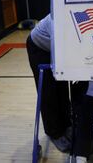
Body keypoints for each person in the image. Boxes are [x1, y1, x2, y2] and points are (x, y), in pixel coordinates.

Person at [26, 14, 72, 152]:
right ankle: (54, 133)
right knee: (48, 93)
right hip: (38, 48)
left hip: (52, 47)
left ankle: (66, 124)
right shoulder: (56, 20)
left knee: (62, 88)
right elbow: (61, 50)